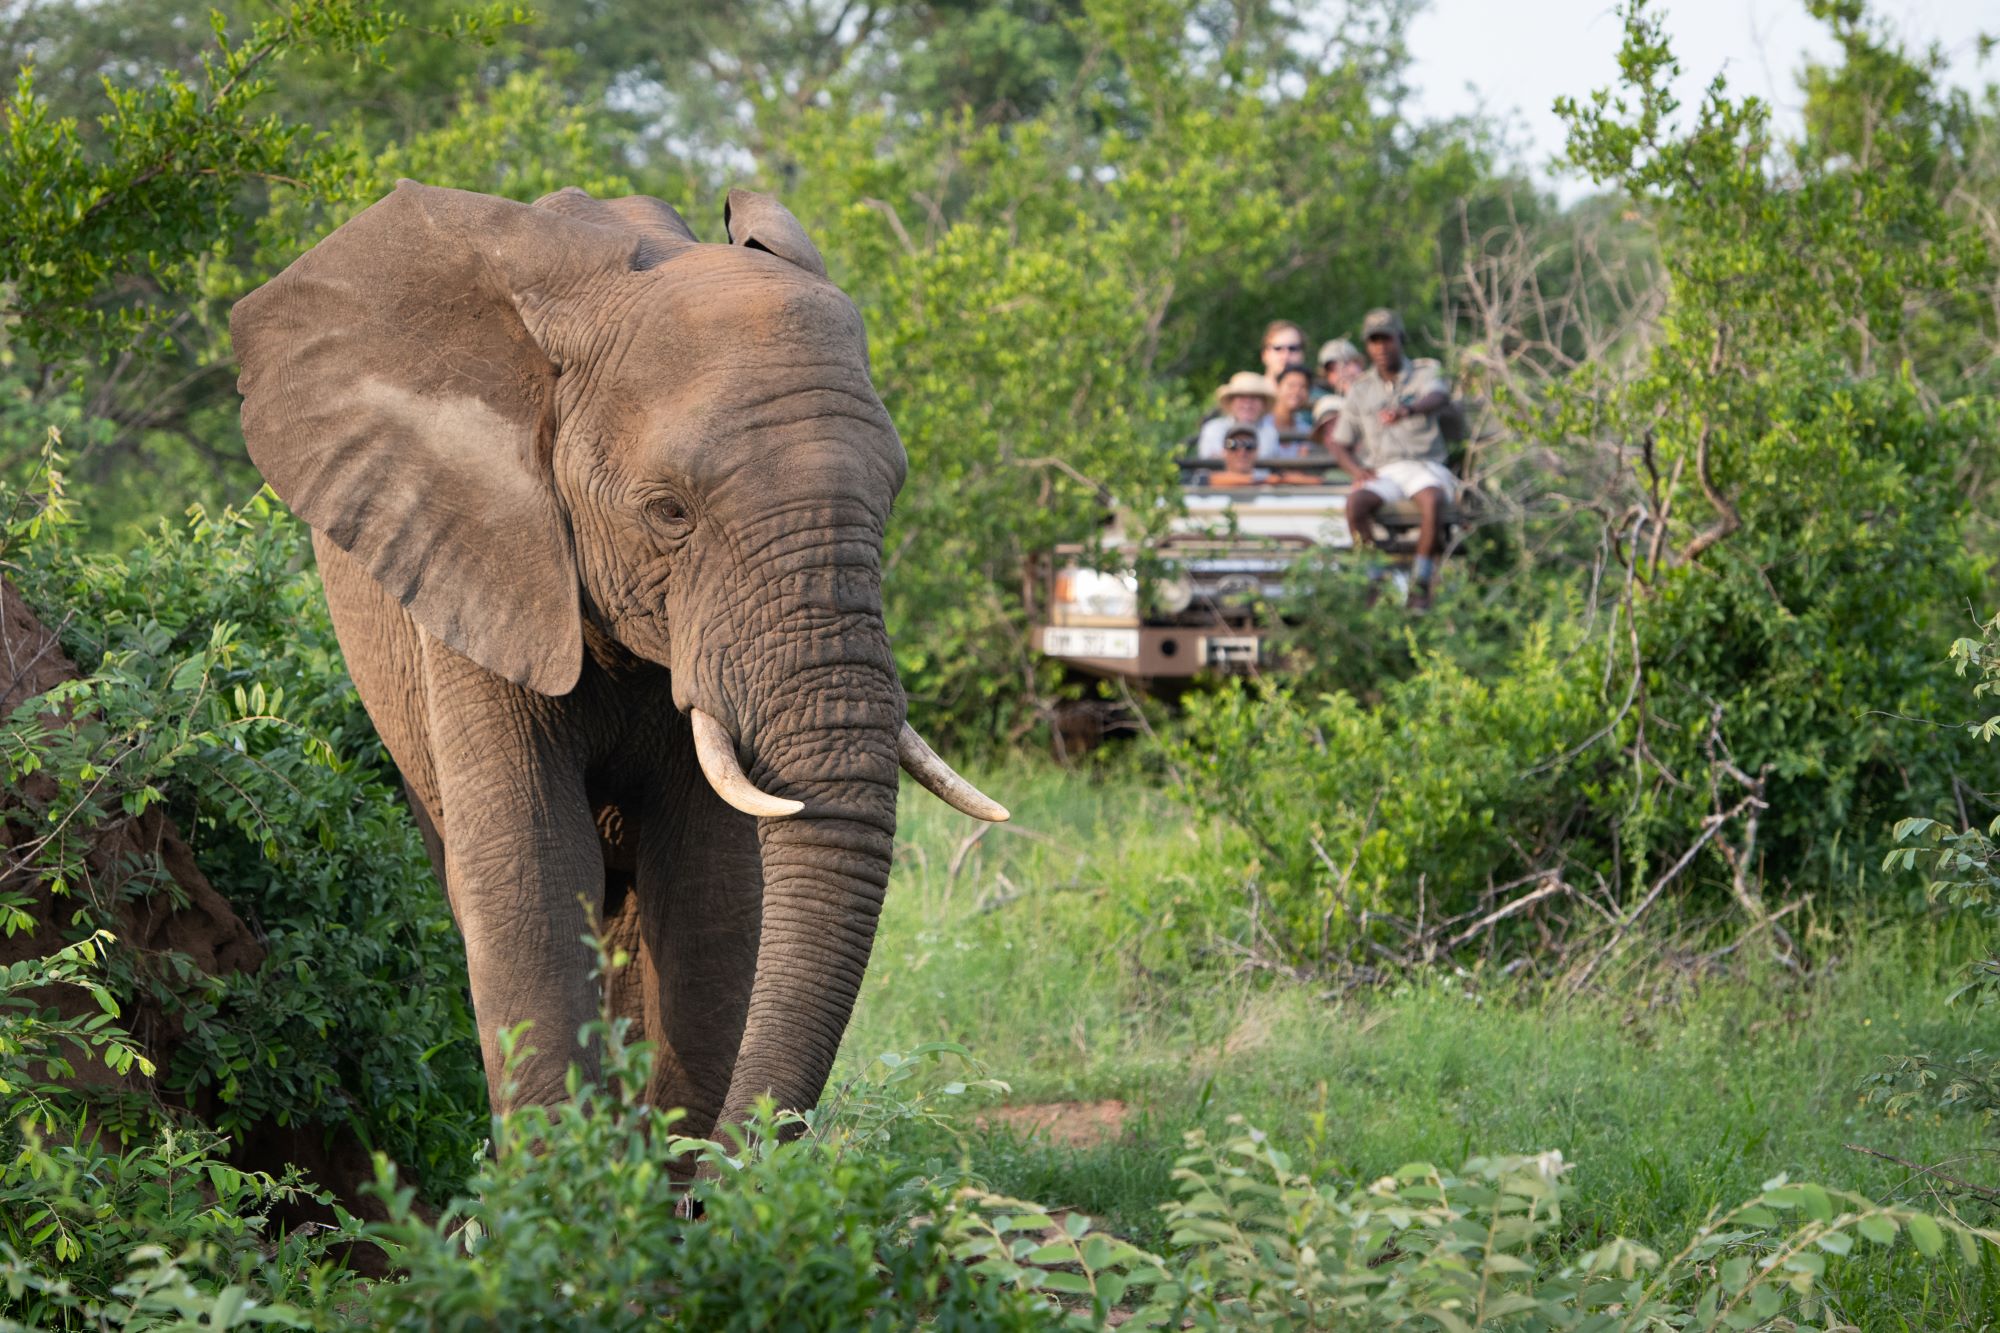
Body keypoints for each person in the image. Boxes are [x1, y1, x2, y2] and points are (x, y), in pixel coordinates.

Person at [1323, 308, 1455, 611]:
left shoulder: (1424, 372)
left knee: (1432, 499)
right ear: (1368, 346)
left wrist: (1409, 410)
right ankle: (1377, 581)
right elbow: (1339, 442)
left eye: (1387, 339)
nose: (1381, 348)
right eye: (1374, 341)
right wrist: (1356, 471)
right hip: (1386, 469)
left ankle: (1420, 586)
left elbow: (1439, 396)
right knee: (1356, 504)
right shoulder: (1361, 388)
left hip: (1425, 463)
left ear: (1400, 339)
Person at [1195, 371, 1281, 459]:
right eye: (1241, 397)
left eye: (1254, 398)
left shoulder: (1270, 433)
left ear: (1263, 404)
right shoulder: (1213, 428)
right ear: (1231, 402)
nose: (1247, 404)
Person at [1203, 426, 1315, 487]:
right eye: (1233, 445)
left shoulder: (1267, 483)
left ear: (1257, 451)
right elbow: (1208, 479)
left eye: (1249, 446)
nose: (1242, 451)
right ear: (1224, 451)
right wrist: (1269, 480)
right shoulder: (1208, 481)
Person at [1272, 365, 1315, 438]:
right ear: (1278, 387)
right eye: (1291, 385)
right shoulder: (1261, 423)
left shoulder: (1306, 430)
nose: (1296, 391)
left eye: (1303, 387)